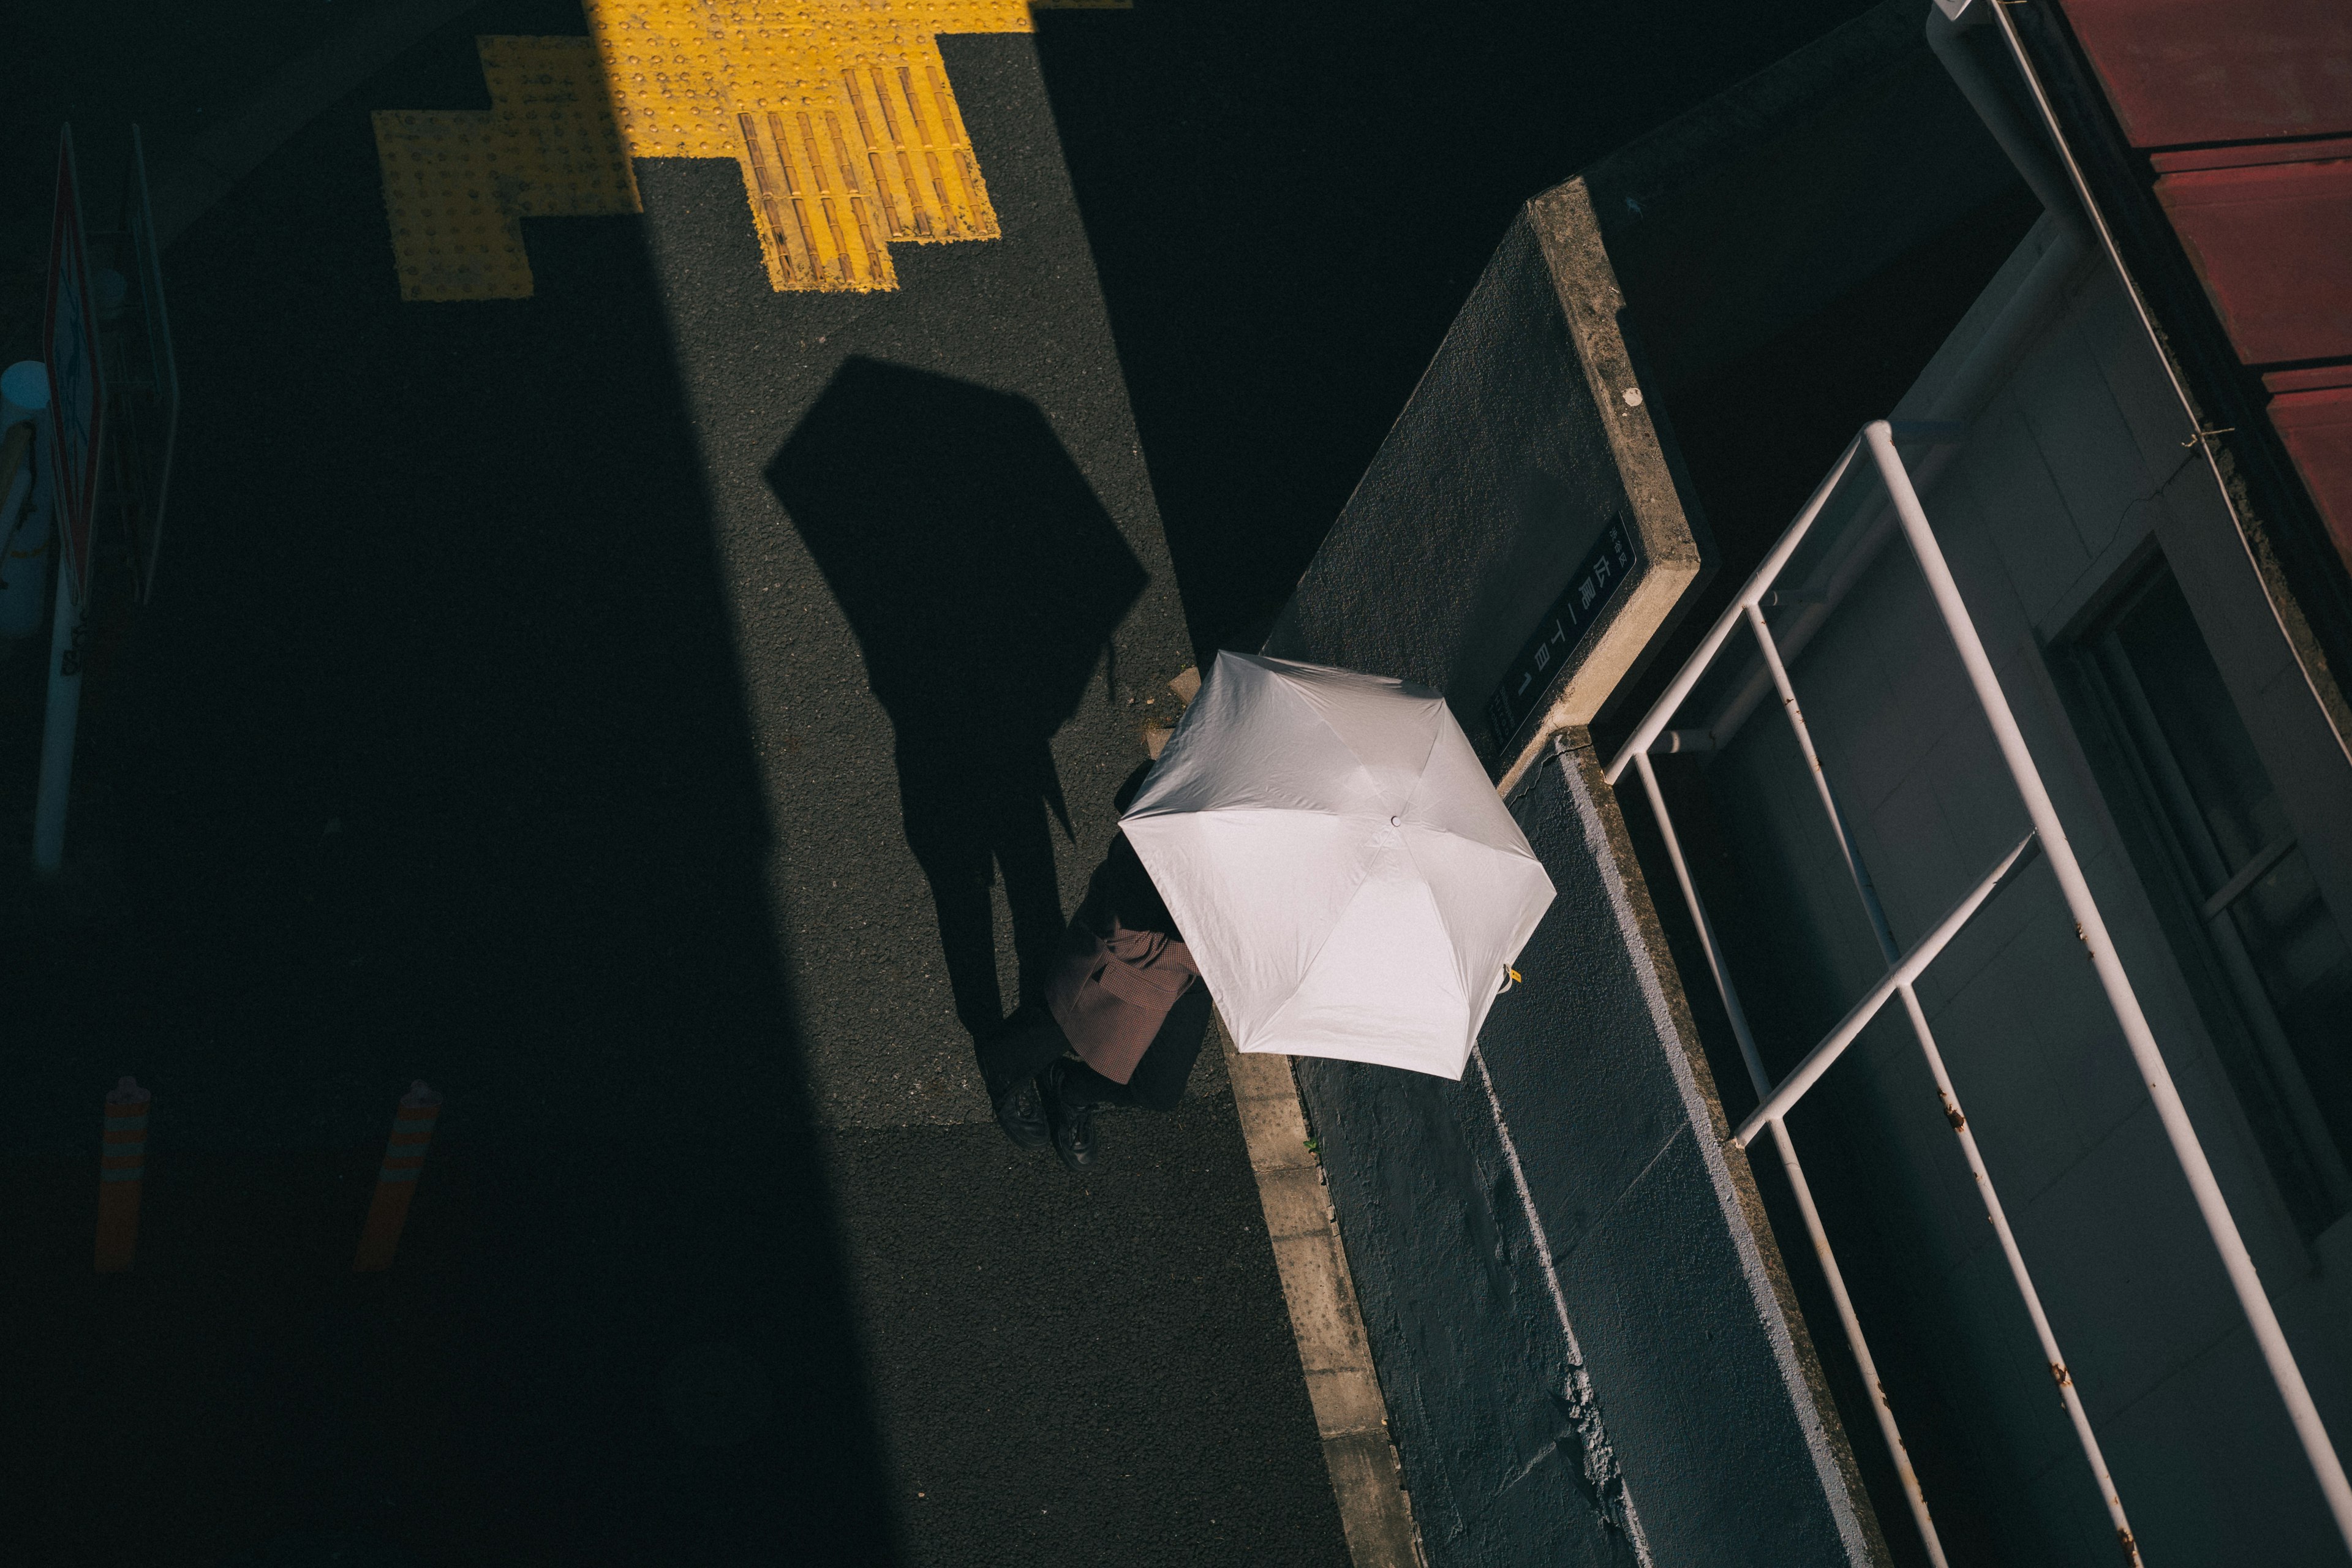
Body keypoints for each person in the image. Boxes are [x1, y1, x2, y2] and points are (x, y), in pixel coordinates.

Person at [976, 817, 1213, 1172]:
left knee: (1159, 1091)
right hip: (1140, 945)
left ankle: (1070, 1087)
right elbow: (1124, 894)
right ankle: (1005, 1062)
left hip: (1196, 968)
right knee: (1067, 1022)